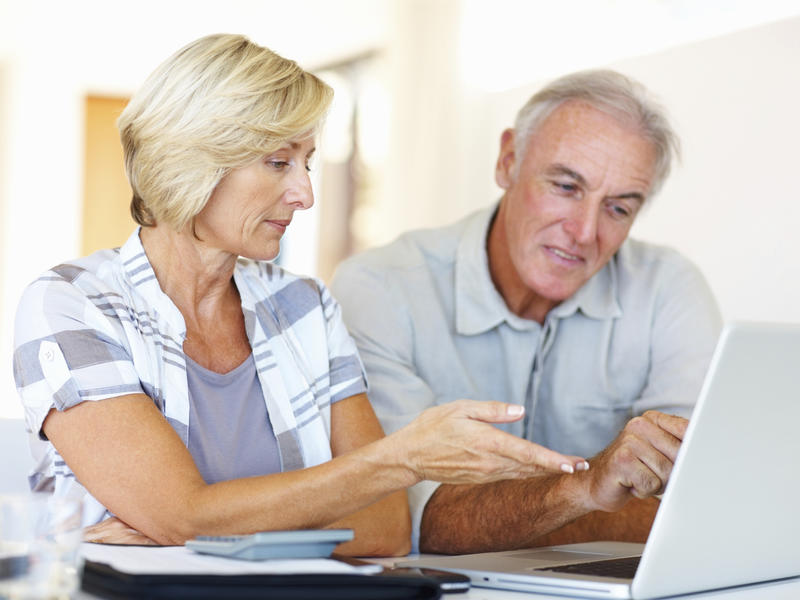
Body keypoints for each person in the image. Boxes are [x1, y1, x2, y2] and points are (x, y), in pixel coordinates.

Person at [12, 34, 588, 556]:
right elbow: (182, 512)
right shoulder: (72, 305)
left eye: (307, 163)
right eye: (278, 162)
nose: (305, 193)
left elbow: (385, 527)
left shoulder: (305, 308)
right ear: (191, 160)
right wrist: (397, 459)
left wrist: (198, 529)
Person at [331, 69, 722, 554]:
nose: (583, 232)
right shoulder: (381, 288)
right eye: (565, 186)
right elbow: (413, 519)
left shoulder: (669, 288)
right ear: (508, 160)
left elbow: (705, 507)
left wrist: (506, 513)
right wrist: (589, 490)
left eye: (618, 208)